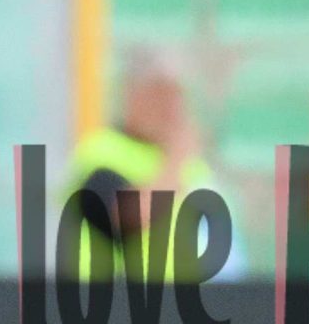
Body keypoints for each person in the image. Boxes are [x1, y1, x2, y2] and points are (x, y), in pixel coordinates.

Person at [64, 52, 231, 282]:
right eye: (160, 94)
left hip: (186, 308)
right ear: (131, 95)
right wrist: (177, 159)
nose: (171, 108)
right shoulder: (102, 152)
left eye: (177, 96)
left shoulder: (193, 167)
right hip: (113, 308)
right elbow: (127, 216)